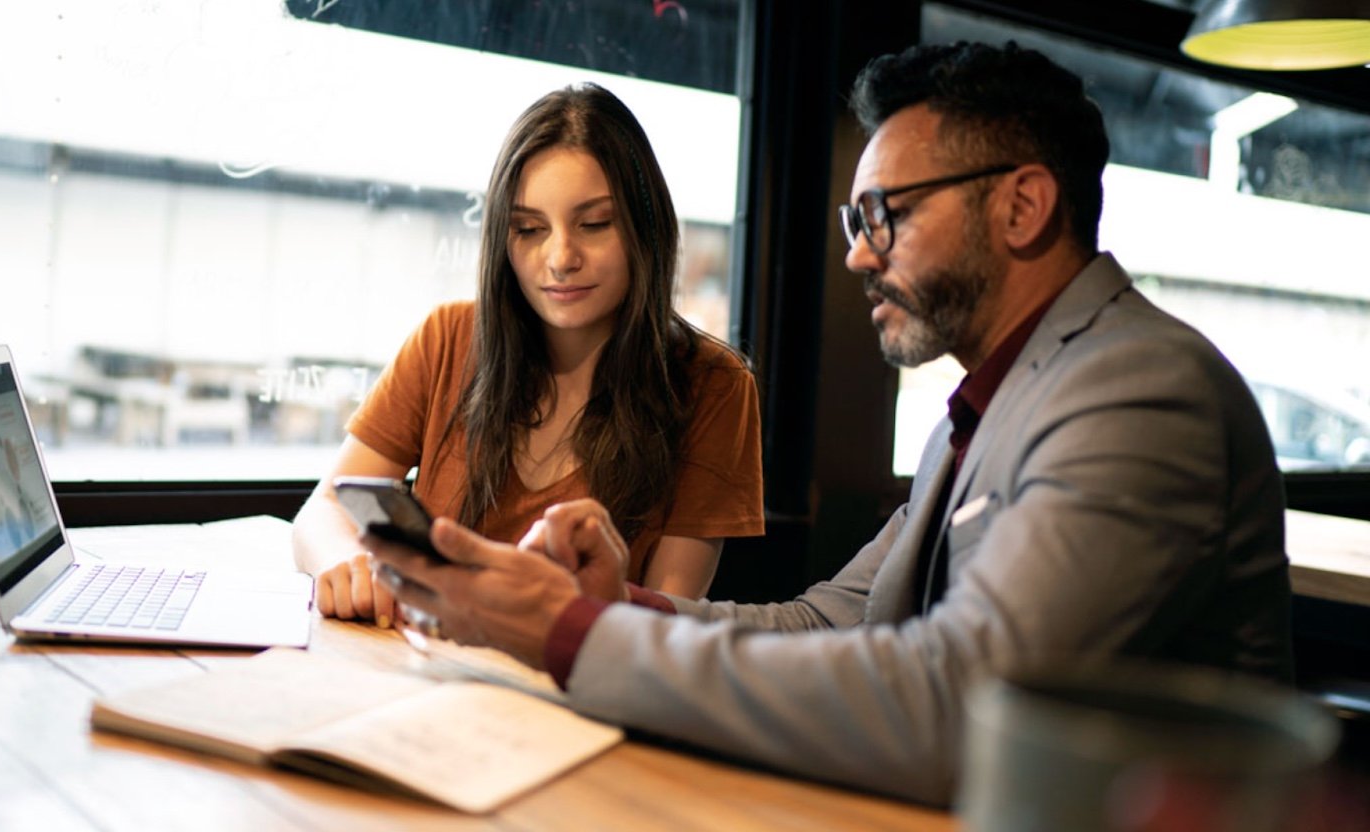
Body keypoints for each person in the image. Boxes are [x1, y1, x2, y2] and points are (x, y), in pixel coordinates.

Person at [367, 41, 1293, 807]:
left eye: (884, 214)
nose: (855, 252)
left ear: (1022, 206)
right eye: (856, 218)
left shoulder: (1137, 385)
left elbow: (961, 702)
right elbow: (824, 623)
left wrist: (572, 635)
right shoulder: (984, 413)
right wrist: (618, 606)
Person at [292, 83, 765, 629]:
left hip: (575, 689)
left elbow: (664, 622)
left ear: (646, 227)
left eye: (594, 223)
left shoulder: (713, 385)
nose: (561, 257)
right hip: (416, 671)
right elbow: (322, 511)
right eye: (529, 229)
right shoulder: (448, 338)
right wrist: (346, 563)